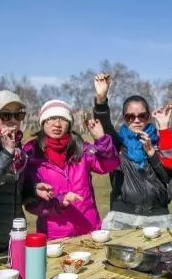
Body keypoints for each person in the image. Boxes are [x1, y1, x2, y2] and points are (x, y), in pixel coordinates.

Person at [23, 100, 119, 239]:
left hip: (88, 229)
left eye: (63, 119)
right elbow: (29, 201)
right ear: (43, 122)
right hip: (54, 236)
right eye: (50, 119)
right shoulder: (31, 153)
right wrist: (59, 202)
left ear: (69, 124)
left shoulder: (82, 149)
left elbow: (109, 165)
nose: (57, 124)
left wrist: (101, 139)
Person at [92, 74, 172, 230]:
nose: (137, 120)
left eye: (142, 116)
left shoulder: (161, 140)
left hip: (158, 217)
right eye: (131, 116)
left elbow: (168, 178)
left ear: (148, 117)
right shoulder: (117, 143)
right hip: (123, 218)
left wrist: (152, 154)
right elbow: (104, 124)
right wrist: (101, 98)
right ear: (124, 118)